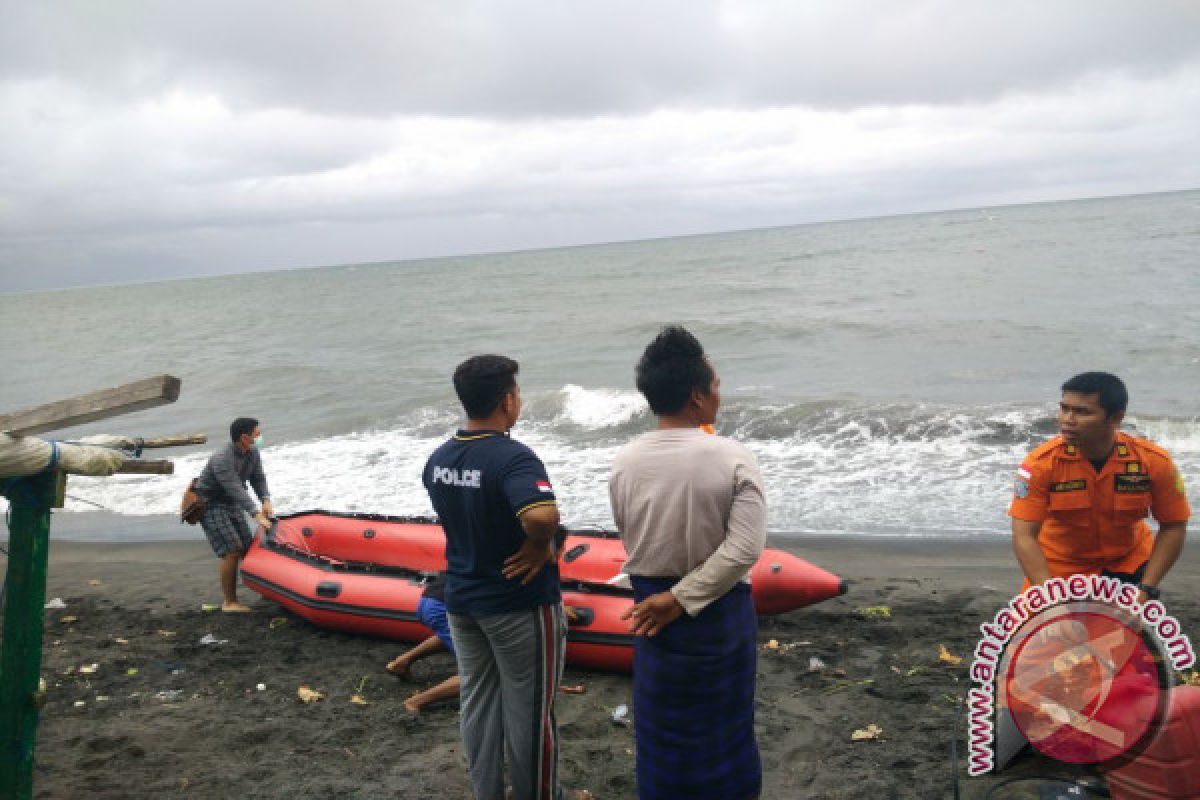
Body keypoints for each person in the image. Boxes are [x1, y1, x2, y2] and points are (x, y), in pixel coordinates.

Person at [608, 326, 767, 800]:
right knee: (726, 731)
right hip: (714, 618)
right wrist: (681, 598)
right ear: (697, 397)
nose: (720, 395)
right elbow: (743, 551)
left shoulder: (625, 462)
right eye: (715, 387)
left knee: (663, 736)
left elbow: (632, 536)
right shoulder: (731, 457)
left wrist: (667, 598)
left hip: (650, 617)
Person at [423, 354, 568, 800]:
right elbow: (542, 514)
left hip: (463, 603)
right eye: (518, 393)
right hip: (517, 604)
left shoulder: (439, 459)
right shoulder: (512, 458)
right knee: (530, 713)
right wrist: (540, 546)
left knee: (479, 703)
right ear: (507, 401)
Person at [1010, 372, 1190, 602]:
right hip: (1058, 573)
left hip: (1129, 568)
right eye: (1064, 408)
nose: (1067, 419)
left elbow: (1174, 526)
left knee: (1129, 637)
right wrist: (1050, 599)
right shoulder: (1040, 464)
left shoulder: (1153, 462)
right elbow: (1024, 536)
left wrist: (1146, 589)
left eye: (1082, 412)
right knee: (1035, 636)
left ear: (1115, 418)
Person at [386, 570, 580, 716]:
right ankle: (417, 701)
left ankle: (401, 662)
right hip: (445, 606)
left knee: (466, 636)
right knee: (484, 671)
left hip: (432, 600)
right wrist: (556, 609)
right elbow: (520, 598)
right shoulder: (523, 563)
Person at [194, 417, 273, 613]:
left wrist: (265, 499)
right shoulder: (222, 458)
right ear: (245, 437)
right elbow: (235, 488)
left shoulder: (252, 453)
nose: (260, 437)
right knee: (232, 550)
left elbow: (258, 478)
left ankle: (268, 592)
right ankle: (229, 602)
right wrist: (255, 514)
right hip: (211, 504)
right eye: (257, 434)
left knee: (248, 548)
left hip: (232, 503)